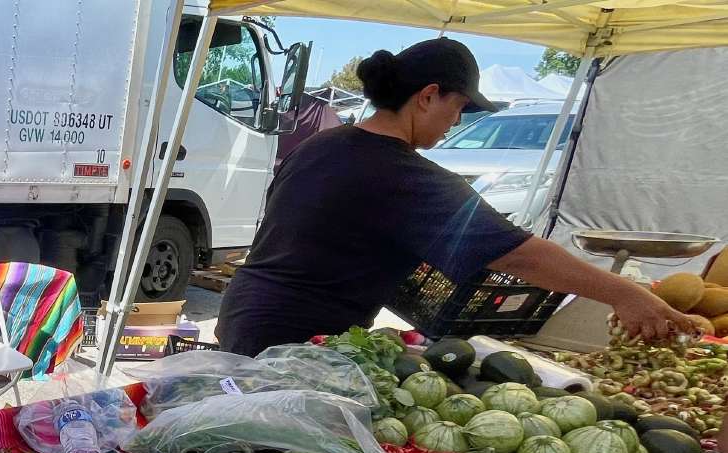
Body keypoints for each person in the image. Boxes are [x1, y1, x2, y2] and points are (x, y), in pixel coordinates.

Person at [216, 38, 692, 357]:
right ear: (428, 96)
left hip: (248, 311)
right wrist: (625, 295)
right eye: (459, 107)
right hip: (292, 338)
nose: (456, 123)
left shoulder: (326, 144)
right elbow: (522, 255)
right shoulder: (401, 172)